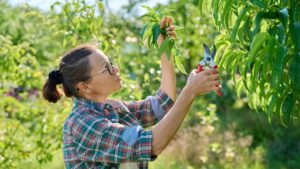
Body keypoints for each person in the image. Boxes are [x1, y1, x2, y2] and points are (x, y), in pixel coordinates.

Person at [42, 17, 220, 169]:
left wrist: (166, 51)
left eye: (111, 62)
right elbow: (152, 144)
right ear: (85, 87)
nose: (116, 68)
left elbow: (161, 105)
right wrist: (190, 91)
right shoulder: (82, 124)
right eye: (107, 68)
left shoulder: (111, 108)